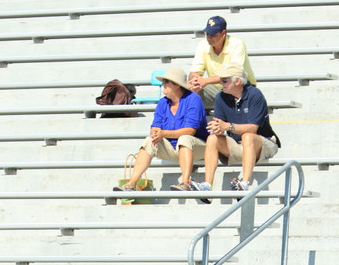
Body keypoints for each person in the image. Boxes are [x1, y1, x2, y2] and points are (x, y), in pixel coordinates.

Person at [189, 63, 280, 198]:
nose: (221, 83)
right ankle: (207, 185)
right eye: (221, 79)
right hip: (239, 146)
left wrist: (228, 126)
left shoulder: (255, 94)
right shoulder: (221, 97)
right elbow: (219, 125)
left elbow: (253, 129)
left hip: (263, 144)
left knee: (248, 136)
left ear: (238, 81)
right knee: (212, 138)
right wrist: (216, 128)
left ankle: (244, 183)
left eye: (224, 80)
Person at [112, 67, 207, 193]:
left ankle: (185, 183)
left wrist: (164, 133)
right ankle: (131, 184)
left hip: (198, 149)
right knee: (149, 141)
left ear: (177, 85)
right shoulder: (163, 102)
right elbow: (156, 125)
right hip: (174, 148)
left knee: (185, 138)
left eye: (166, 81)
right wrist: (156, 133)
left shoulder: (193, 99)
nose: (163, 84)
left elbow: (190, 131)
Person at [188, 15, 256, 110]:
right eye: (207, 34)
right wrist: (195, 80)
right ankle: (193, 120)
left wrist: (205, 81)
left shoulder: (237, 44)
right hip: (219, 89)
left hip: (240, 87)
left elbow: (234, 74)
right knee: (186, 87)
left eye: (213, 35)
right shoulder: (202, 45)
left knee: (233, 82)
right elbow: (194, 72)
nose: (209, 38)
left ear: (223, 33)